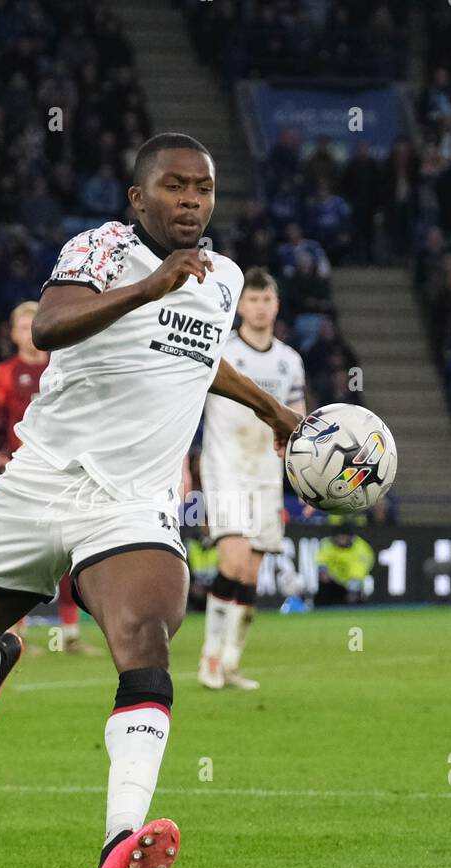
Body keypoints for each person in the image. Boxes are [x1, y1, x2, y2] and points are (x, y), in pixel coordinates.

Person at [0, 134, 302, 868]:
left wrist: (271, 408)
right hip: (37, 485)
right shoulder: (99, 249)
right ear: (139, 199)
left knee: (145, 637)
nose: (192, 200)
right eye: (174, 186)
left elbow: (198, 358)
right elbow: (51, 328)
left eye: (203, 188)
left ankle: (118, 841)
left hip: (134, 504)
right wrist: (150, 286)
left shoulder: (224, 279)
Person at [197, 267, 305, 690]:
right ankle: (209, 659)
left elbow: (299, 418)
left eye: (267, 300)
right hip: (225, 467)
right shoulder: (219, 351)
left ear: (276, 305)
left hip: (266, 472)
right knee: (234, 560)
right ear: (241, 305)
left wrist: (307, 477)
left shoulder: (289, 361)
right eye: (253, 300)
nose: (260, 308)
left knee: (251, 573)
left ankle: (231, 663)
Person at [0, 300, 94, 654]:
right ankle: (16, 632)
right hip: (21, 472)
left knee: (68, 549)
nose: (30, 334)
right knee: (24, 552)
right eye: (23, 327)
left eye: (35, 325)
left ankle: (70, 635)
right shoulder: (4, 373)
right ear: (13, 334)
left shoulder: (63, 366)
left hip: (63, 470)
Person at [314, 530, 376, 606]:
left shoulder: (359, 547)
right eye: (339, 537)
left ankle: (357, 607)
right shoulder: (328, 545)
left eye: (344, 537)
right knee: (323, 583)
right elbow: (321, 560)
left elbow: (361, 567)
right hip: (334, 579)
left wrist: (354, 582)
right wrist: (323, 571)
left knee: (357, 590)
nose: (341, 539)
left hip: (352, 579)